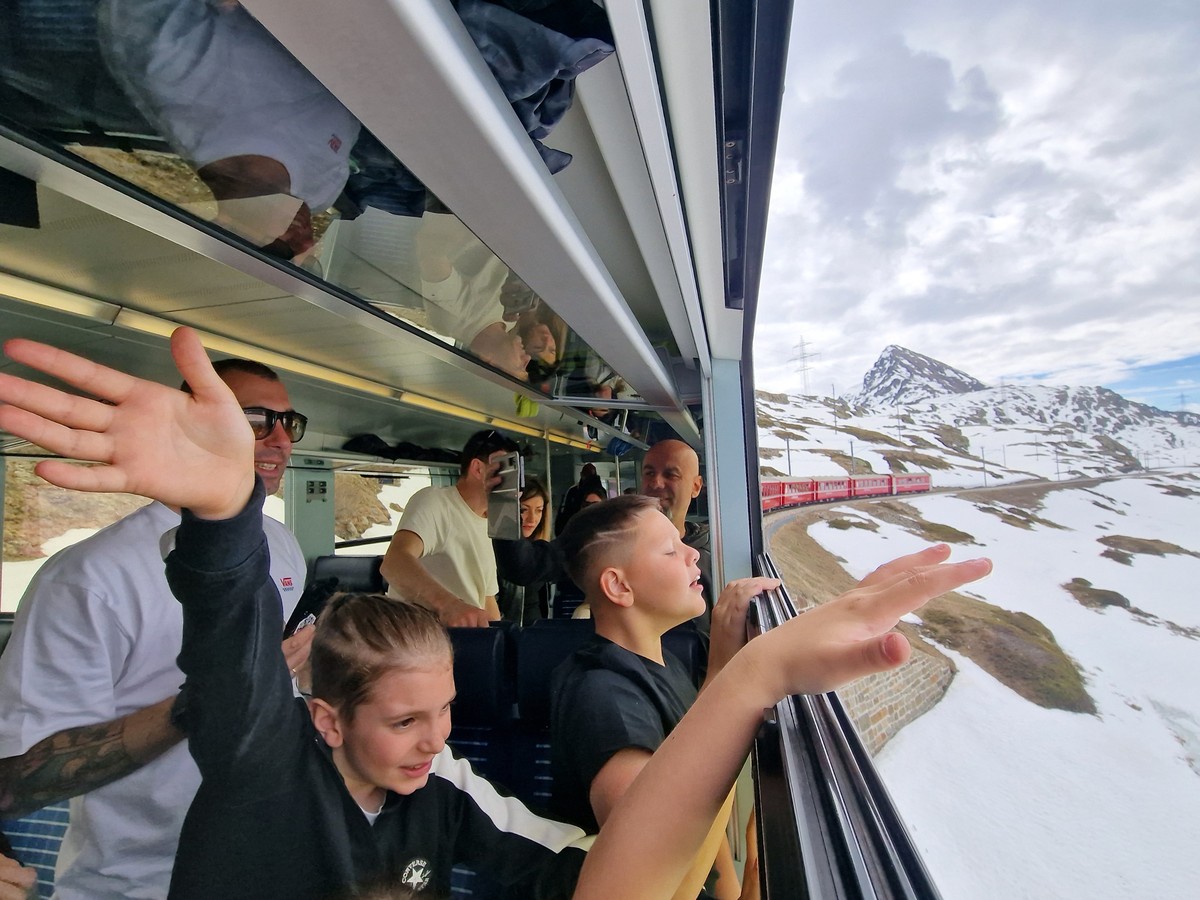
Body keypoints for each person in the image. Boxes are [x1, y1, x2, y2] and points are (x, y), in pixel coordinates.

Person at [0, 328, 992, 900]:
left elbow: (606, 878)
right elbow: (229, 663)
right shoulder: (255, 767)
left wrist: (751, 675)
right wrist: (219, 529)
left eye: (283, 427)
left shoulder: (435, 796)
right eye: (409, 718)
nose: (439, 739)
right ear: (329, 720)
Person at [0, 356, 311, 900]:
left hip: (276, 858)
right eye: (256, 419)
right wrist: (210, 698)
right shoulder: (89, 578)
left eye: (289, 423)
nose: (280, 440)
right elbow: (17, 778)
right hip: (141, 881)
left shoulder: (280, 544)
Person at [550, 496, 779, 897]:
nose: (693, 554)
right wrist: (735, 682)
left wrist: (733, 889)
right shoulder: (602, 698)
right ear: (619, 586)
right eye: (671, 550)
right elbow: (659, 879)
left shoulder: (663, 662)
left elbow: (694, 787)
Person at [381, 428, 518, 627]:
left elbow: (485, 599)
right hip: (419, 638)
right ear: (478, 469)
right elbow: (394, 562)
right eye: (505, 468)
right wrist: (449, 605)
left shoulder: (489, 524)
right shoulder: (436, 502)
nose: (515, 481)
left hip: (465, 639)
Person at [641, 439, 713, 634]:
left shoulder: (714, 556)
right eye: (649, 473)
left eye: (670, 475)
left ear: (696, 487)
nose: (656, 483)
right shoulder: (621, 549)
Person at [495, 477, 555, 625]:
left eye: (539, 510)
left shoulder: (540, 550)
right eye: (524, 510)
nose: (532, 519)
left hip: (535, 629)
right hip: (507, 629)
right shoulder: (500, 550)